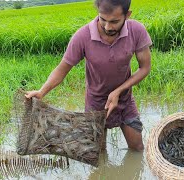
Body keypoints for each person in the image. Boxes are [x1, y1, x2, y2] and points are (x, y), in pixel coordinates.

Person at [25, 0, 152, 151]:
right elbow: (62, 69)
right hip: (96, 104)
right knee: (98, 153)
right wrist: (42, 92)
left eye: (114, 21)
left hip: (124, 100)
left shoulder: (136, 30)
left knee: (137, 148)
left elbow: (145, 68)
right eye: (103, 19)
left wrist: (118, 91)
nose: (107, 27)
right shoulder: (83, 36)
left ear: (127, 15)